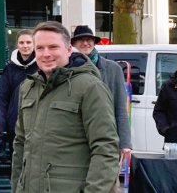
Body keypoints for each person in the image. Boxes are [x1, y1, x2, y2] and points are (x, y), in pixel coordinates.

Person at [10, 21, 119, 192]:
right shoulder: (28, 88)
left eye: (53, 47)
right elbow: (20, 144)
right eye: (40, 48)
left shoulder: (90, 87)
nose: (46, 54)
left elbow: (105, 148)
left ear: (68, 50)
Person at [71, 25, 132, 159]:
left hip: (106, 136)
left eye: (89, 40)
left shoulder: (113, 68)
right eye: (81, 40)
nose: (85, 43)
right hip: (75, 137)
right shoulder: (66, 68)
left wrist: (125, 143)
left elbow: (120, 108)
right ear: (74, 43)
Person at [0, 29, 37, 153]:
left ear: (34, 44)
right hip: (14, 125)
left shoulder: (41, 66)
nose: (25, 46)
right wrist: (2, 126)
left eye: (29, 42)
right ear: (17, 45)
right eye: (22, 42)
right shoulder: (9, 69)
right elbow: (2, 99)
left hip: (36, 124)